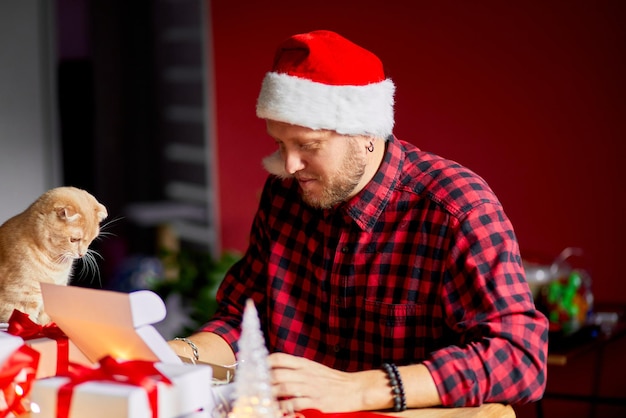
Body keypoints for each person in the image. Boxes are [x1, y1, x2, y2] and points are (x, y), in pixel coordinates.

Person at [169, 29, 548, 413]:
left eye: (308, 146)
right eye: (281, 144)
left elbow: (520, 358)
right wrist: (176, 355)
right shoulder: (284, 195)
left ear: (365, 133)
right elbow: (244, 318)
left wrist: (360, 389)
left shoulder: (456, 207)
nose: (289, 165)